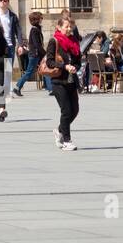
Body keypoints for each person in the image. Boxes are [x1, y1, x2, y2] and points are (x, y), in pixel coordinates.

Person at [42, 17, 82, 150]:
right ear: (59, 27)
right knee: (66, 111)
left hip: (71, 80)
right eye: (66, 26)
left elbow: (78, 61)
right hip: (58, 80)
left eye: (70, 26)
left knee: (75, 110)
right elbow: (49, 62)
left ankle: (59, 131)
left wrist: (75, 66)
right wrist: (64, 66)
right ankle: (67, 141)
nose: (69, 28)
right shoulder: (54, 41)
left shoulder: (74, 42)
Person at [13, 11, 45, 97]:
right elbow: (37, 44)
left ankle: (49, 86)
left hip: (36, 54)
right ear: (37, 20)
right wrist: (44, 53)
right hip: (34, 54)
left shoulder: (37, 29)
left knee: (40, 69)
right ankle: (17, 87)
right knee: (29, 72)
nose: (42, 19)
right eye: (41, 18)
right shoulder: (34, 30)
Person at [0, 0, 22, 84]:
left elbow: (18, 31)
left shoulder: (13, 16)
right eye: (1, 0)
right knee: (0, 67)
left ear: (8, 3)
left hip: (10, 45)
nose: (3, 2)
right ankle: (0, 87)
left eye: (5, 1)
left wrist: (20, 45)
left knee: (8, 68)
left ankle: (6, 88)